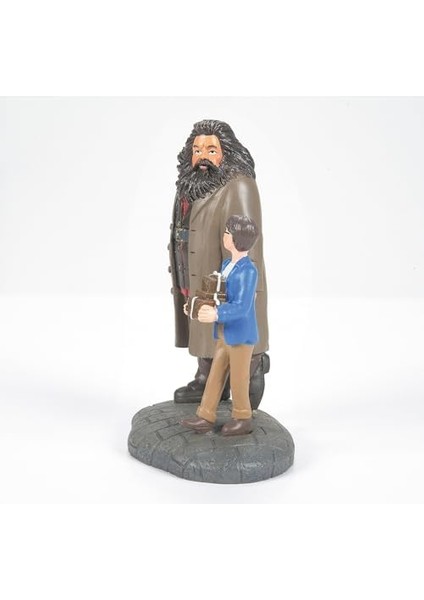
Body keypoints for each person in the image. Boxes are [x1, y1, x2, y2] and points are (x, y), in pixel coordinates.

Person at [169, 119, 269, 409]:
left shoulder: (239, 186)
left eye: (211, 150)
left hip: (224, 273)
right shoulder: (191, 185)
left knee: (231, 328)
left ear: (227, 152)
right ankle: (207, 374)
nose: (203, 157)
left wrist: (242, 286)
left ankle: (252, 370)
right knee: (201, 323)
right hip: (193, 269)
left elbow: (247, 242)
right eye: (197, 150)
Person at [180, 215, 259, 436]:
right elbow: (217, 294)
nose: (224, 236)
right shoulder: (226, 265)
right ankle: (205, 415)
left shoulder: (248, 271)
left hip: (241, 335)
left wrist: (216, 313)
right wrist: (195, 307)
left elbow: (242, 307)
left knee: (239, 378)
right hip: (225, 332)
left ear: (237, 239)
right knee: (215, 374)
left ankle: (243, 418)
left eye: (227, 233)